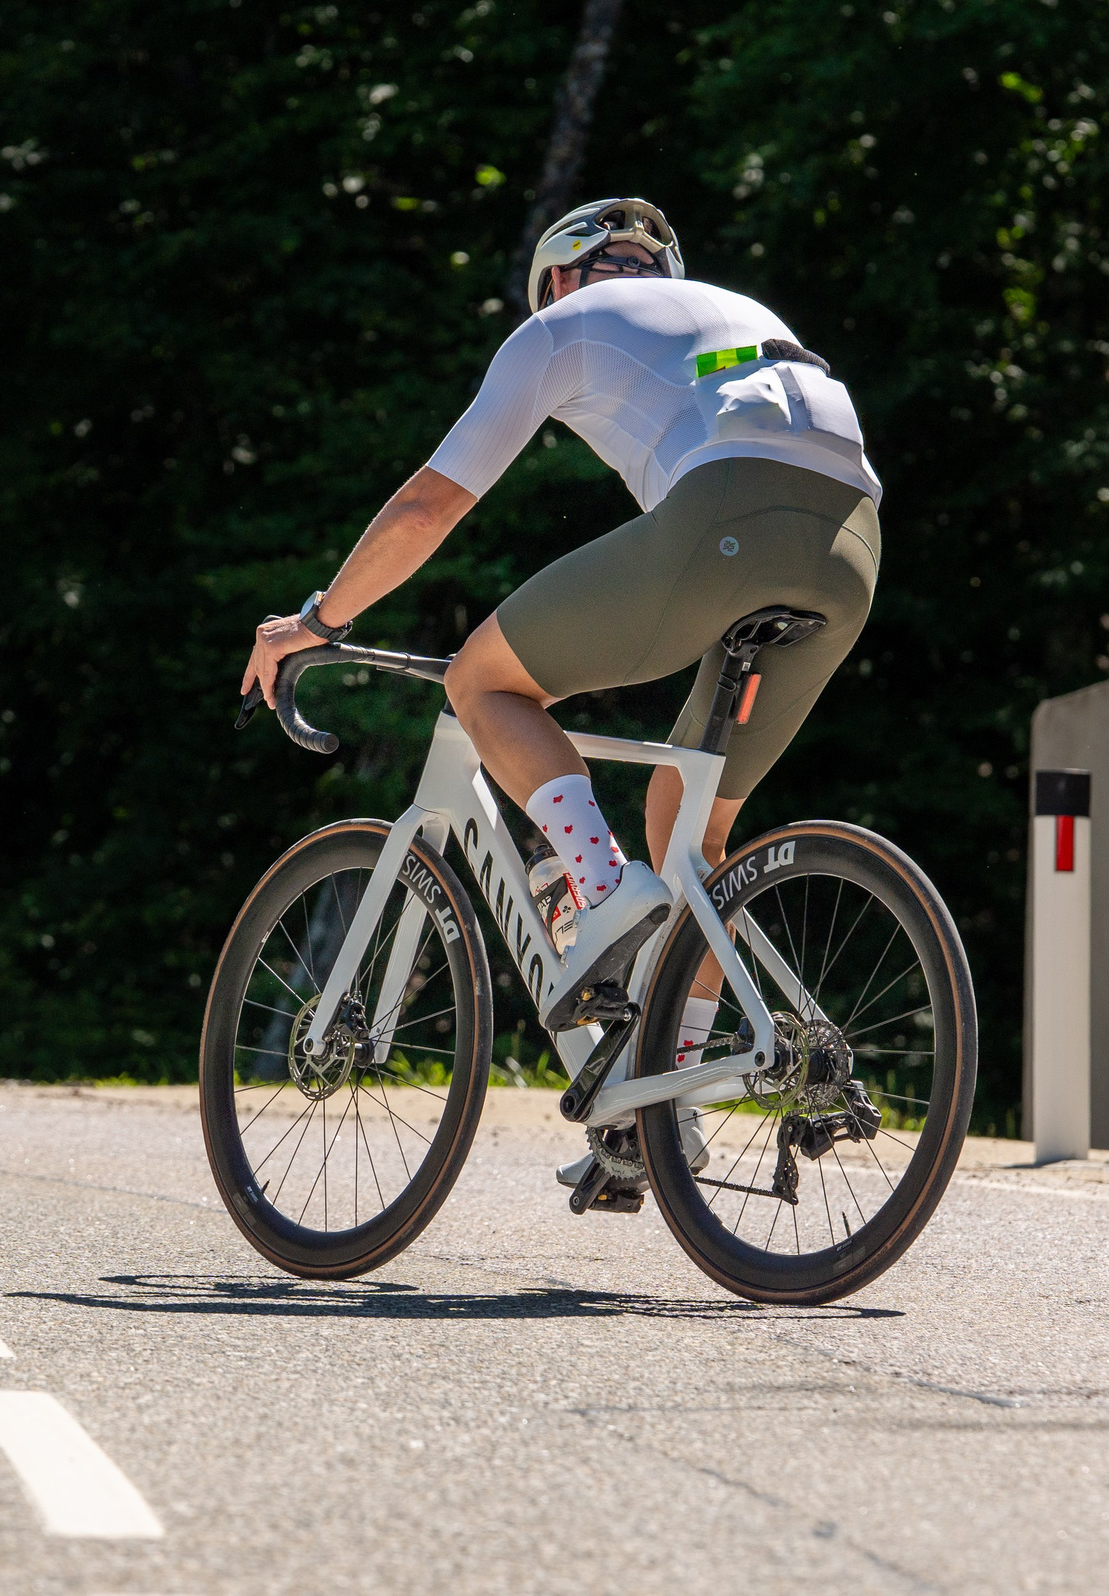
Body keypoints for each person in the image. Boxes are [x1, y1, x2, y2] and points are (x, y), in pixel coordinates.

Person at [239, 197, 882, 1058]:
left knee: (482, 679)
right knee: (690, 831)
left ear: (558, 279)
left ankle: (602, 888)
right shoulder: (730, 315)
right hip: (852, 546)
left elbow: (431, 504)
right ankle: (659, 1106)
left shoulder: (561, 325)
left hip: (727, 514)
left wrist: (320, 620)